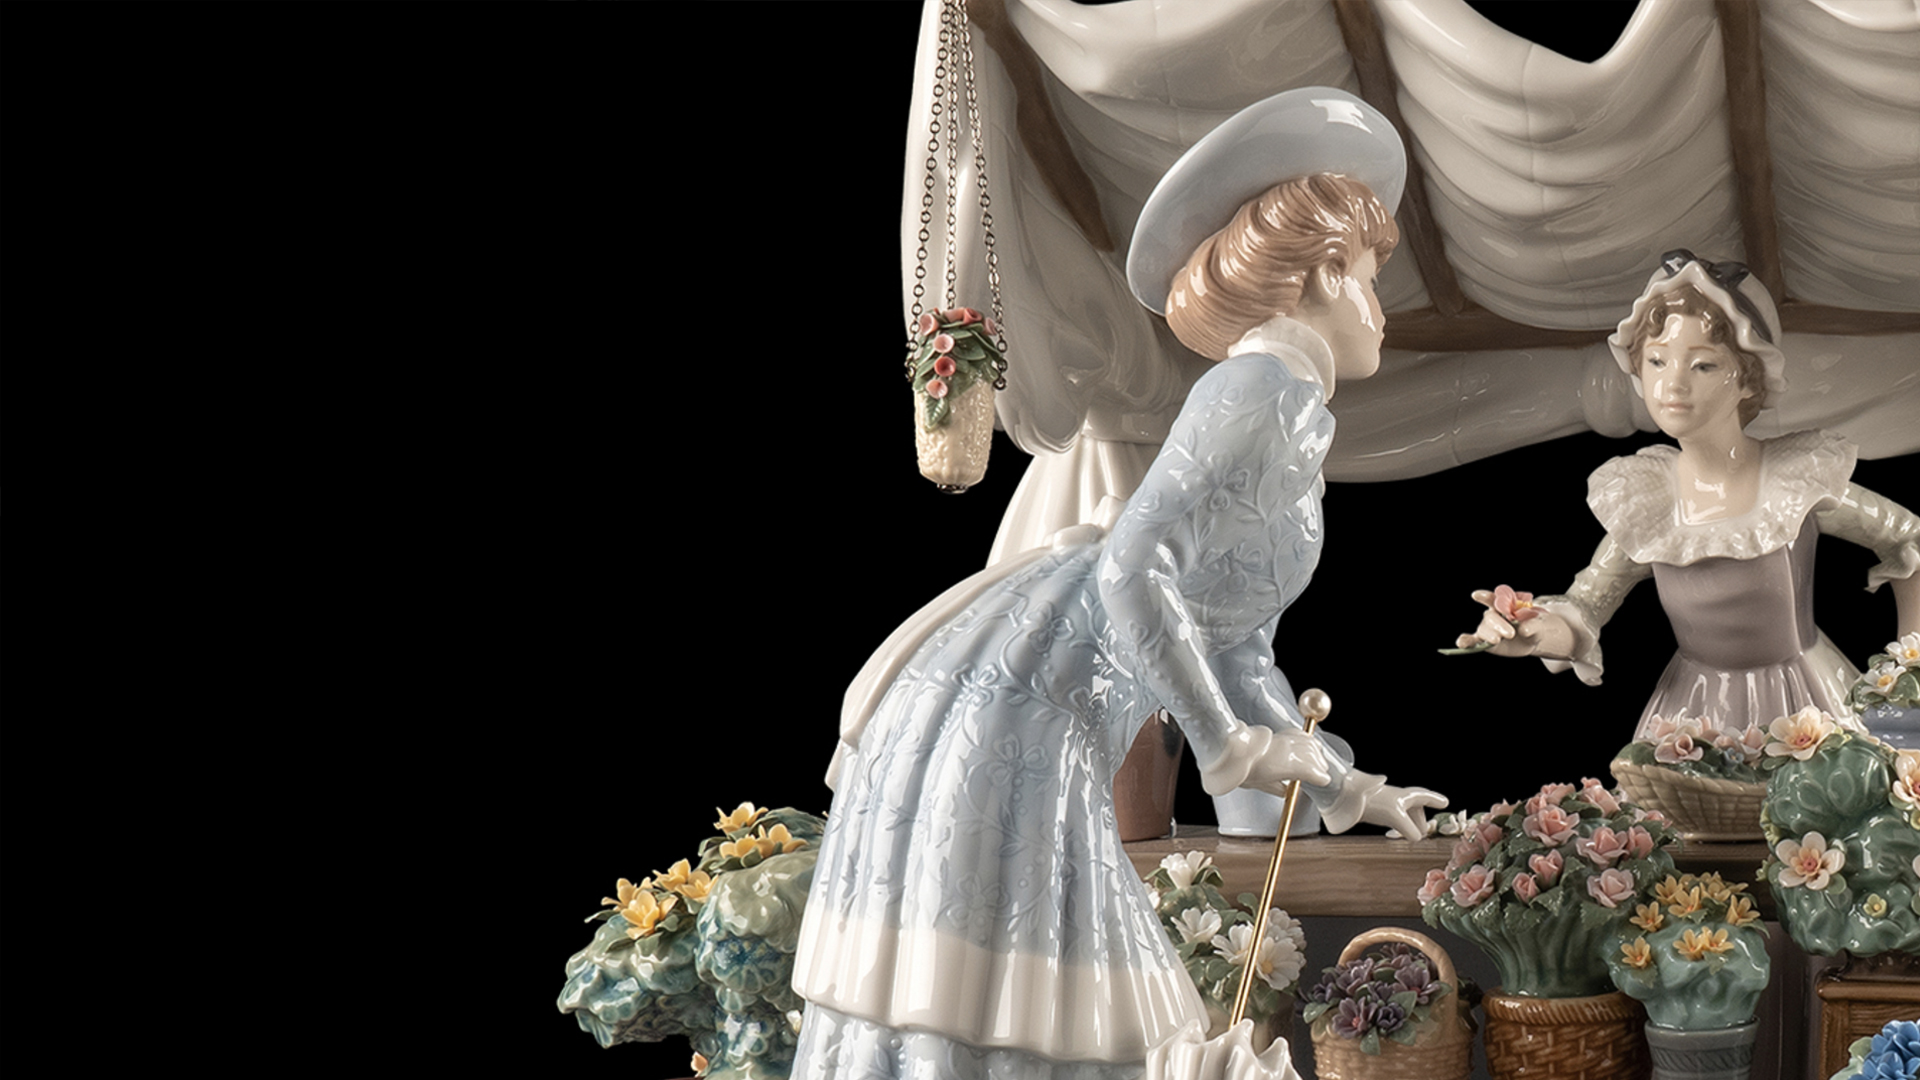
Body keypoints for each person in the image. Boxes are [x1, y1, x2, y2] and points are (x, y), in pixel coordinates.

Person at [788, 88, 1445, 1080]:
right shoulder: (1259, 389)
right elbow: (1136, 563)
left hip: (1052, 702)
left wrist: (1343, 783)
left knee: (1036, 994)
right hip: (1032, 699)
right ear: (1318, 277)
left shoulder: (1288, 409)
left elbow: (1237, 647)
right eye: (1367, 279)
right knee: (1039, 985)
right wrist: (1223, 745)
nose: (1379, 310)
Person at [1461, 250, 1920, 740]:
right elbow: (1588, 603)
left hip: (1805, 704)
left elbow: (1908, 537)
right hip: (1694, 714)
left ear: (1748, 379)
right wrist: (1530, 634)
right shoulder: (1647, 499)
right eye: (1657, 361)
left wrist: (1908, 675)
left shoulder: (1793, 480)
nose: (1673, 384)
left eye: (1702, 365)